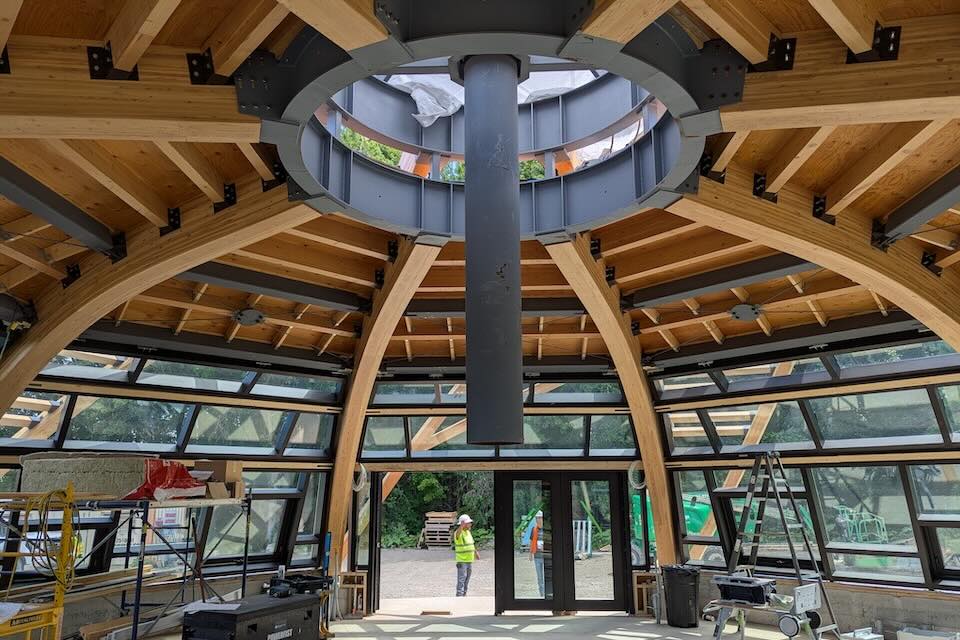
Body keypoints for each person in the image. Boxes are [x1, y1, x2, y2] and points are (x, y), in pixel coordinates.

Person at [453, 513, 479, 597]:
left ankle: (464, 594)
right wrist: (461, 526)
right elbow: (457, 535)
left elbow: (471, 544)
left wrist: (475, 552)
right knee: (462, 579)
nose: (470, 524)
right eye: (468, 523)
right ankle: (459, 595)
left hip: (469, 560)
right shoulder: (458, 532)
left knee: (467, 578)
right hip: (462, 560)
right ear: (463, 524)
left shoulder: (468, 532)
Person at [530, 510, 545, 598]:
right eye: (537, 518)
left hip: (546, 556)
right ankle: (542, 594)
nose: (538, 519)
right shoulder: (534, 529)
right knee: (539, 577)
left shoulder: (547, 530)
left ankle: (548, 593)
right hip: (537, 556)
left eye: (540, 518)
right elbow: (531, 541)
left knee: (546, 577)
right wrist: (530, 553)